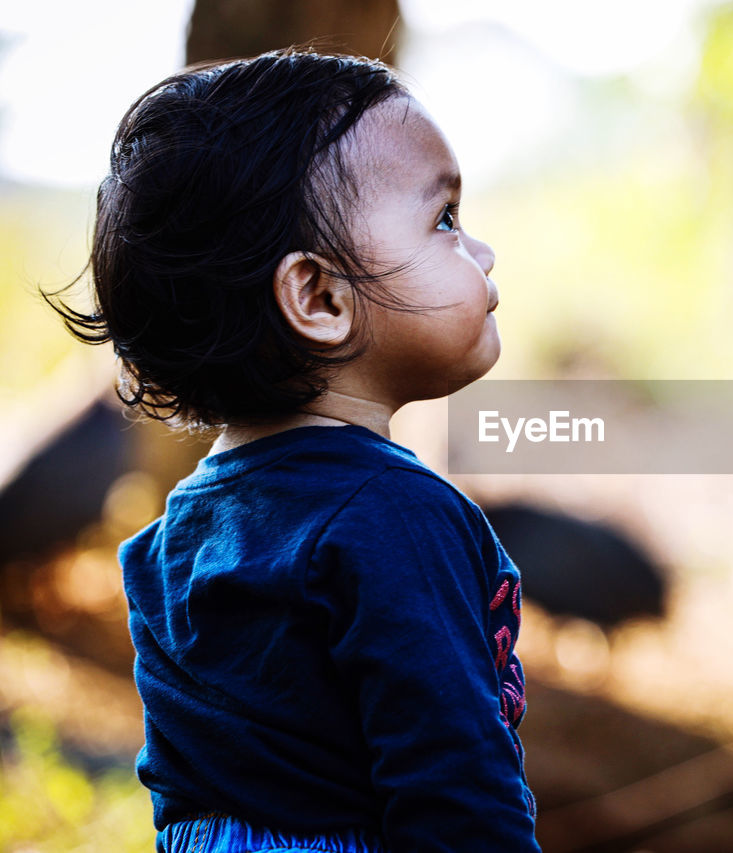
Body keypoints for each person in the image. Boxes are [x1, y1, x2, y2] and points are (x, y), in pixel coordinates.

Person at [44, 48, 538, 852]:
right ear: (319, 297)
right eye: (444, 219)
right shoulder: (394, 516)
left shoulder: (178, 534)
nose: (482, 252)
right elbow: (458, 789)